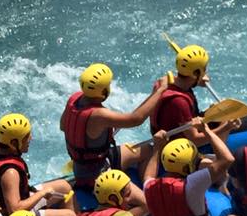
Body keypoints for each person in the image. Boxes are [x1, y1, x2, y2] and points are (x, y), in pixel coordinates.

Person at [60, 63, 168, 200]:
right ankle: (141, 201)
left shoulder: (74, 99)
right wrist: (161, 90)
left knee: (147, 149)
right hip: (97, 175)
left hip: (83, 165)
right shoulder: (99, 115)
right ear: (104, 91)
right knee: (146, 204)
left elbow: (63, 126)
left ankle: (147, 185)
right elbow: (136, 119)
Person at [149, 44, 237, 147]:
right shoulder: (180, 102)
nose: (206, 72)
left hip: (183, 127)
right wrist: (226, 127)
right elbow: (195, 140)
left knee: (221, 110)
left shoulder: (164, 82)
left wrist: (198, 80)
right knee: (227, 120)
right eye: (204, 69)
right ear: (195, 73)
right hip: (179, 146)